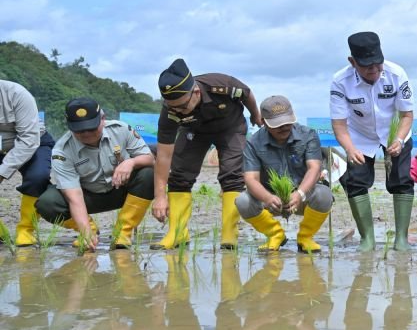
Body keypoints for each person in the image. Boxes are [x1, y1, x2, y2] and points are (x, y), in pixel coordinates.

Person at [152, 58, 262, 250]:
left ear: (195, 92)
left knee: (231, 175)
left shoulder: (220, 85)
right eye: (172, 107)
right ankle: (177, 234)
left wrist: (255, 114)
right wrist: (160, 196)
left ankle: (229, 234)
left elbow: (247, 94)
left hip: (231, 127)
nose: (177, 110)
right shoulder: (170, 110)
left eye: (182, 106)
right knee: (179, 175)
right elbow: (163, 156)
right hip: (194, 130)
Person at [330, 32, 414, 251]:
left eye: (378, 64)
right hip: (359, 135)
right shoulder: (340, 81)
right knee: (355, 181)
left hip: (396, 132)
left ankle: (401, 239)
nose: (375, 70)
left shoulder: (397, 74)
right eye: (367, 66)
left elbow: (407, 116)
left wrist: (399, 139)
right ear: (352, 62)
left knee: (402, 180)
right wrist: (349, 148)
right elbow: (339, 125)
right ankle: (367, 238)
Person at [35, 98, 155, 250]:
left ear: (102, 119)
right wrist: (86, 230)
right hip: (88, 197)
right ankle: (90, 233)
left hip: (122, 190)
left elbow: (150, 159)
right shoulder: (62, 151)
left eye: (91, 128)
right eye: (79, 130)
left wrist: (130, 163)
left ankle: (123, 232)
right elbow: (74, 197)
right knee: (48, 203)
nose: (86, 134)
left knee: (149, 174)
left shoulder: (121, 130)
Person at [235, 96, 333, 253]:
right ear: (263, 121)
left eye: (287, 122)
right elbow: (250, 178)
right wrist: (268, 198)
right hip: (271, 199)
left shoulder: (308, 135)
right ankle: (275, 234)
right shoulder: (254, 143)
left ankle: (305, 237)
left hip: (302, 196)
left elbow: (314, 168)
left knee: (324, 194)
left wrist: (300, 193)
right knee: (243, 201)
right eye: (277, 124)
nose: (284, 127)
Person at [0, 79, 55, 246]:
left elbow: (28, 140)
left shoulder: (17, 94)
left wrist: (2, 172)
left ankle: (26, 229)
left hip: (32, 141)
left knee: (38, 176)